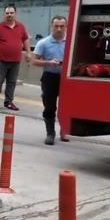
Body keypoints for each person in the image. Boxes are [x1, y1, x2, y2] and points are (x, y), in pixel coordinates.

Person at [31, 16, 70, 144]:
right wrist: (48, 63)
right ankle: (50, 133)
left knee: (66, 107)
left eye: (62, 26)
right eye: (56, 26)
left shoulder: (70, 42)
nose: (59, 29)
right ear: (51, 27)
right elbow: (34, 61)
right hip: (50, 77)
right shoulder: (43, 43)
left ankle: (64, 131)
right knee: (50, 106)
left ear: (66, 27)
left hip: (67, 79)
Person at [0, 4, 32, 112]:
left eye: (11, 13)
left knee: (12, 83)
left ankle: (8, 102)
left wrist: (28, 53)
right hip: (1, 61)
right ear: (4, 14)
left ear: (15, 14)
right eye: (7, 13)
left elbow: (25, 39)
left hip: (15, 61)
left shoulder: (21, 26)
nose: (9, 15)